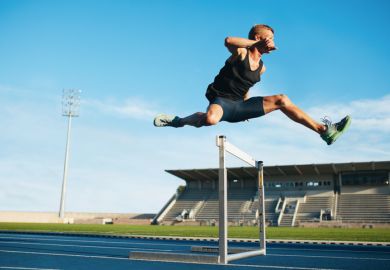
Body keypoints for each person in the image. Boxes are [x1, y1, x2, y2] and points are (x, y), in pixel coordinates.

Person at [153, 24, 351, 145]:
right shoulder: (241, 53)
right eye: (270, 38)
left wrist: (247, 108)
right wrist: (255, 45)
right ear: (258, 38)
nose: (273, 43)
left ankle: (325, 131)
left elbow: (246, 87)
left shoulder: (262, 68)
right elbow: (228, 40)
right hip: (222, 101)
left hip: (240, 106)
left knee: (282, 99)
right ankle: (178, 121)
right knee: (211, 119)